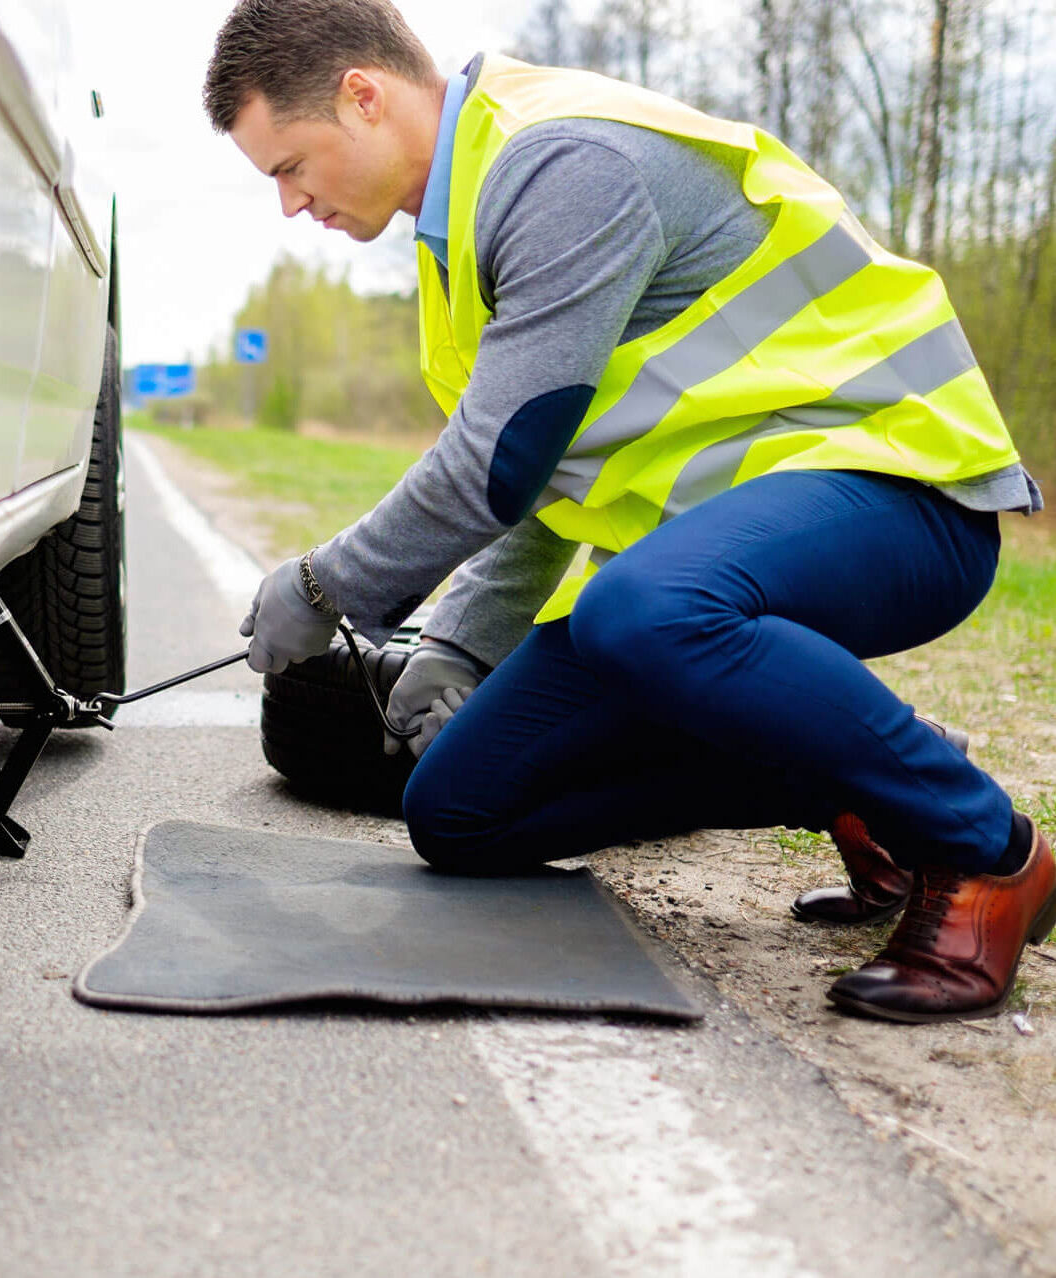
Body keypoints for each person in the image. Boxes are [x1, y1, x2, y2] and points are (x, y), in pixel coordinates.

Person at [203, 0, 1055, 1023]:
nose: (291, 204)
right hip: (716, 561)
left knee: (635, 612)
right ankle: (865, 784)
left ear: (363, 96)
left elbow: (498, 458)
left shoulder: (561, 166)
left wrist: (322, 584)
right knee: (461, 811)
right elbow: (550, 476)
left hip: (902, 496)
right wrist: (460, 646)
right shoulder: (460, 235)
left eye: (289, 166)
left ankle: (985, 851)